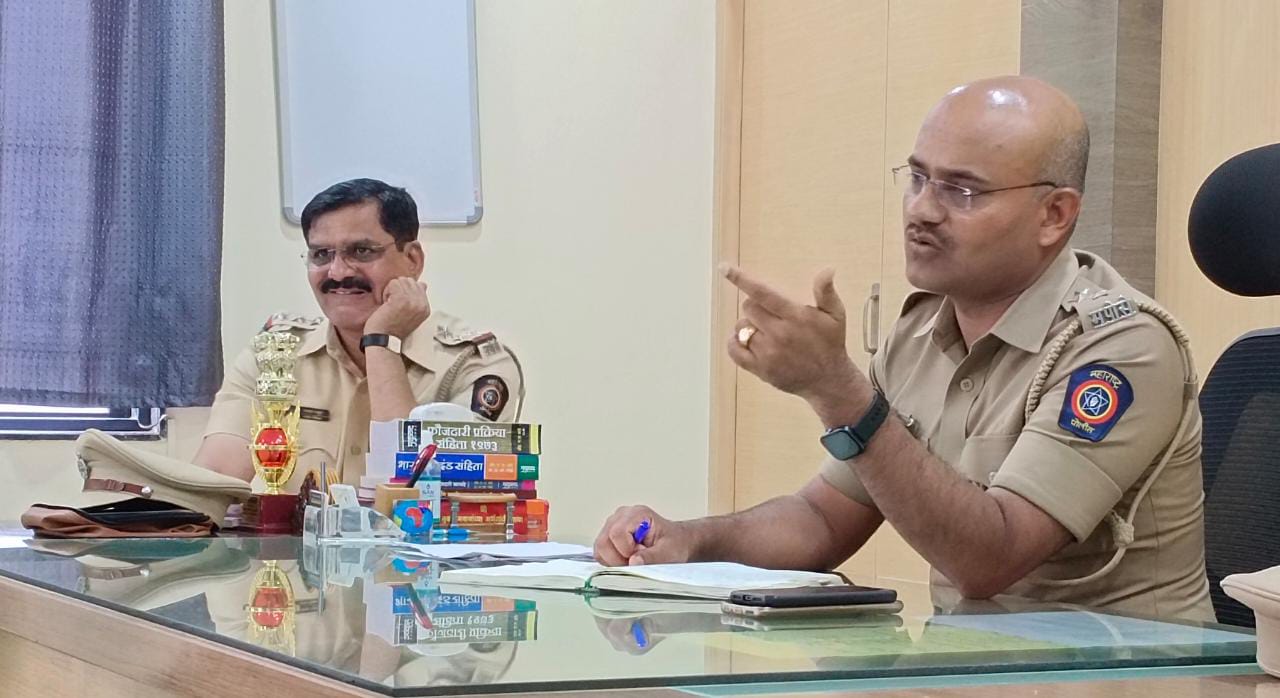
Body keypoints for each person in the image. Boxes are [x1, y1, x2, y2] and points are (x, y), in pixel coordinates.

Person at [595, 76, 1214, 621]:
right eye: (917, 178)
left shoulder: (1120, 348)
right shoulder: (920, 332)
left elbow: (989, 560)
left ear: (1054, 215)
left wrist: (836, 389)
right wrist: (688, 541)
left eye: (962, 191)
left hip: (1124, 672)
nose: (921, 210)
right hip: (977, 667)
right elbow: (822, 519)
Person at [194, 178, 524, 490]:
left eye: (362, 251)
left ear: (412, 259)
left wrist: (381, 341)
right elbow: (215, 478)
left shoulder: (472, 364)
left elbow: (422, 490)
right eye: (321, 254)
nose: (338, 272)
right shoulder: (276, 354)